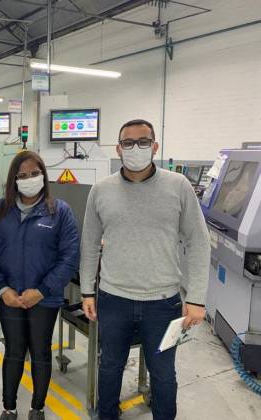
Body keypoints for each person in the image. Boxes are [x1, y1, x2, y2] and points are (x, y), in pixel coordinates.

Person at [80, 119, 210, 420]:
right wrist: (87, 290)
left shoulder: (178, 186)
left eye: (143, 142)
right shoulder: (101, 190)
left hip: (163, 303)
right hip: (113, 299)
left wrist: (197, 298)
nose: (135, 148)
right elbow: (89, 243)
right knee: (109, 367)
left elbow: (199, 241)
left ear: (155, 146)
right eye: (128, 143)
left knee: (163, 374)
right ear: (118, 148)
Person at [0, 151, 80, 420]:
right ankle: (9, 408)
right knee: (14, 351)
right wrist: (2, 288)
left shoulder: (60, 211)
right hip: (9, 296)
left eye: (34, 173)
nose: (29, 179)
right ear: (13, 180)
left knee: (40, 350)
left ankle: (37, 408)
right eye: (22, 175)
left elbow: (69, 256)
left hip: (44, 298)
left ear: (43, 175)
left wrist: (42, 290)